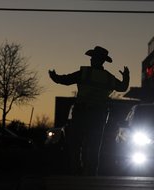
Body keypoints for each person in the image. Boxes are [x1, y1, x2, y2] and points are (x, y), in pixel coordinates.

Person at [48, 46, 130, 175]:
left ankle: (76, 170)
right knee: (94, 145)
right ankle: (91, 173)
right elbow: (122, 87)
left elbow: (65, 80)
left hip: (81, 113)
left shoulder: (84, 73)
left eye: (93, 57)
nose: (91, 59)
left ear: (97, 59)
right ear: (103, 61)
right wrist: (126, 77)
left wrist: (54, 77)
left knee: (75, 143)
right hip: (99, 116)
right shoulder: (109, 78)